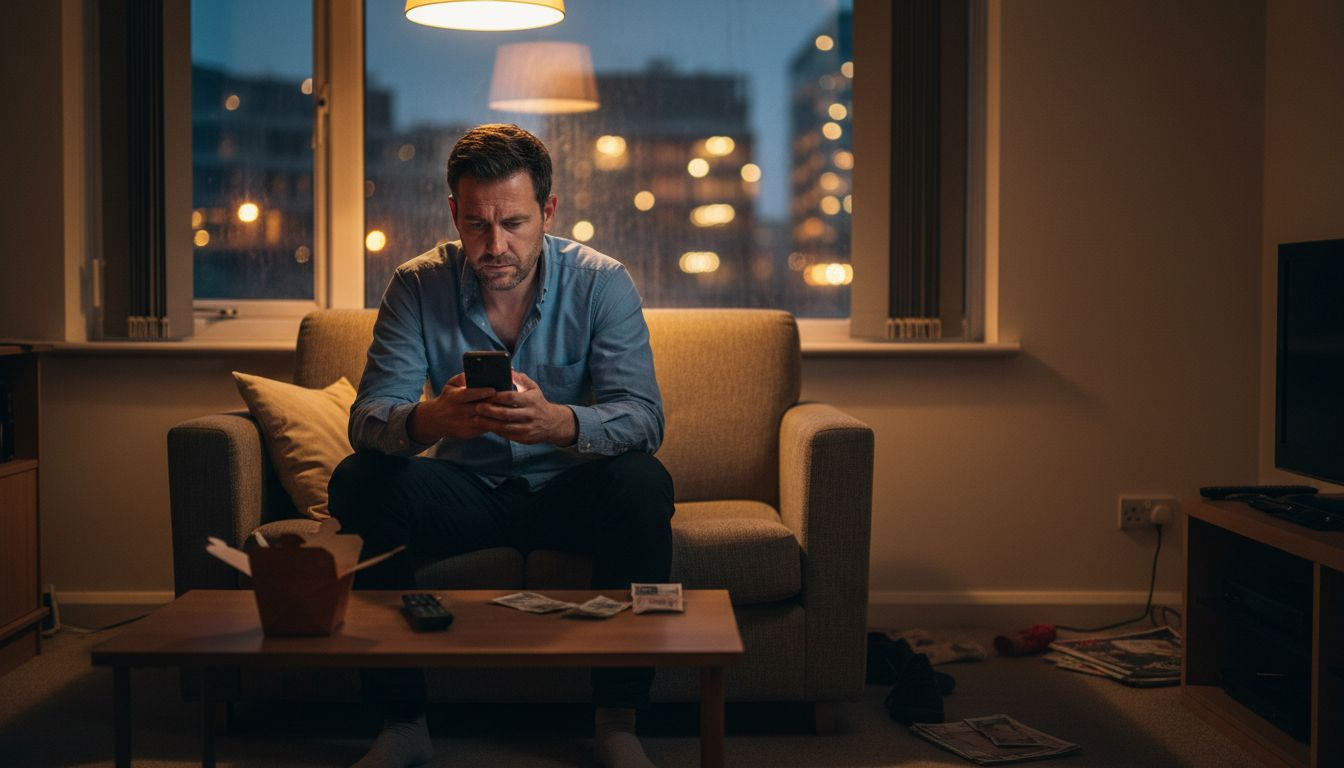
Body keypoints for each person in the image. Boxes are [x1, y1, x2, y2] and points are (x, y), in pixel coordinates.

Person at [328, 123, 673, 768]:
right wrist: (432, 421)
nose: (495, 245)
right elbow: (370, 418)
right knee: (359, 479)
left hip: (569, 487)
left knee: (644, 482)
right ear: (452, 212)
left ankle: (618, 724)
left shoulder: (602, 283)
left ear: (548, 212)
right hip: (468, 490)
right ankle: (402, 723)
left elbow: (644, 419)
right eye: (477, 225)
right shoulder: (416, 285)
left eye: (513, 223)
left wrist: (560, 424)